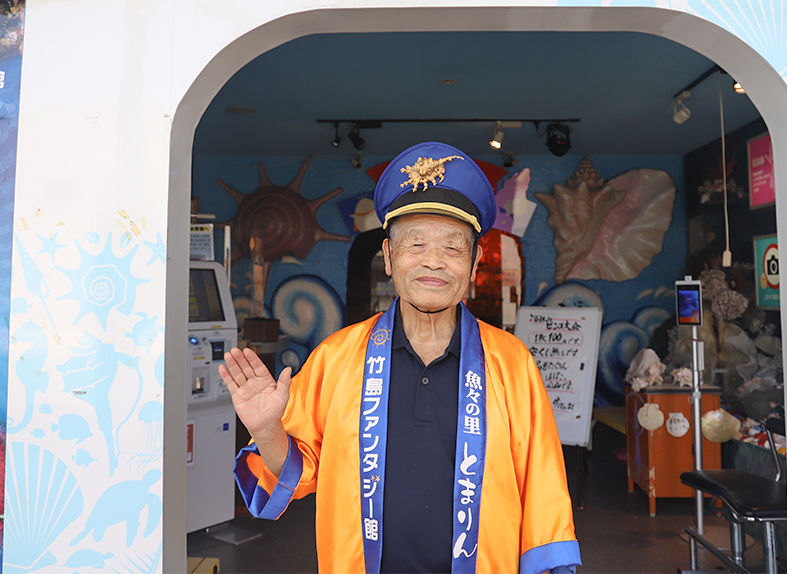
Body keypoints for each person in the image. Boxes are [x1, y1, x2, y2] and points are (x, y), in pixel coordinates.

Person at [220, 142, 580, 574]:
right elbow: (296, 475)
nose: (433, 262)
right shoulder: (336, 358)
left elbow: (543, 493)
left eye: (452, 248)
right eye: (416, 244)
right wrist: (266, 430)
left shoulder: (512, 363)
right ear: (389, 257)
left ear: (474, 263)